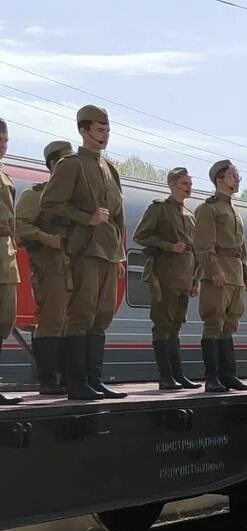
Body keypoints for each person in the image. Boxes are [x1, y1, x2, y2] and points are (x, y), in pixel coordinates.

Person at [41, 105, 127, 401]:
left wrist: (121, 254)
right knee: (81, 313)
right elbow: (50, 204)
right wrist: (85, 218)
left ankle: (94, 379)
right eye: (99, 130)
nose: (104, 136)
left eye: (107, 130)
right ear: (83, 130)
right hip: (85, 249)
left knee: (101, 315)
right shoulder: (71, 165)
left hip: (108, 252)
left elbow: (119, 215)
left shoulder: (109, 168)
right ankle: (76, 383)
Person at [16, 141, 75, 396]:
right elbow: (20, 227)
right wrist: (47, 238)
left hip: (76, 267)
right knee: (52, 320)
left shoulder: (76, 198)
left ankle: (68, 377)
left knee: (72, 323)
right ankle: (49, 379)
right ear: (53, 164)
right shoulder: (36, 195)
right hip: (50, 265)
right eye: (65, 160)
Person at [132, 167, 200, 391]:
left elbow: (196, 250)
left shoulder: (190, 215)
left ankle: (178, 375)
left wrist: (195, 280)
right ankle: (165, 376)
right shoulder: (159, 208)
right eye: (184, 184)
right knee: (162, 325)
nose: (188, 188)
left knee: (175, 327)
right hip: (164, 276)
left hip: (183, 277)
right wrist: (169, 246)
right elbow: (140, 235)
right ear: (172, 184)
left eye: (190, 184)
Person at [193, 160, 247, 393]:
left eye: (238, 176)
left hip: (235, 274)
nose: (237, 180)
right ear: (220, 179)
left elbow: (241, 248)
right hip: (218, 273)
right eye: (234, 176)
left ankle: (228, 376)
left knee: (229, 324)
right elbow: (203, 244)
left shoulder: (234, 211)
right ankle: (212, 378)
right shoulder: (208, 209)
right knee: (214, 322)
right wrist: (213, 271)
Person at [0, 119, 15, 405]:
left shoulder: (5, 176)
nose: (2, 145)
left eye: (5, 139)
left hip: (5, 254)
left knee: (5, 318)